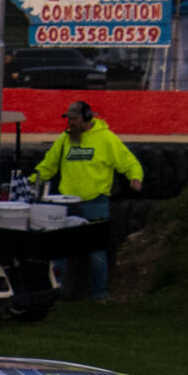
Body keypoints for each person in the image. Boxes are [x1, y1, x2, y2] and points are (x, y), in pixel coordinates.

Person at [29, 99, 143, 300]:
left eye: (74, 118)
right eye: (68, 119)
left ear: (87, 118)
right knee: (60, 252)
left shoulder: (106, 139)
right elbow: (48, 164)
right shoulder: (64, 140)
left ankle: (99, 294)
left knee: (96, 253)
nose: (70, 122)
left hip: (95, 203)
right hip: (65, 204)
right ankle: (57, 292)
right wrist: (32, 181)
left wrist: (135, 177)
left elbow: (128, 161)